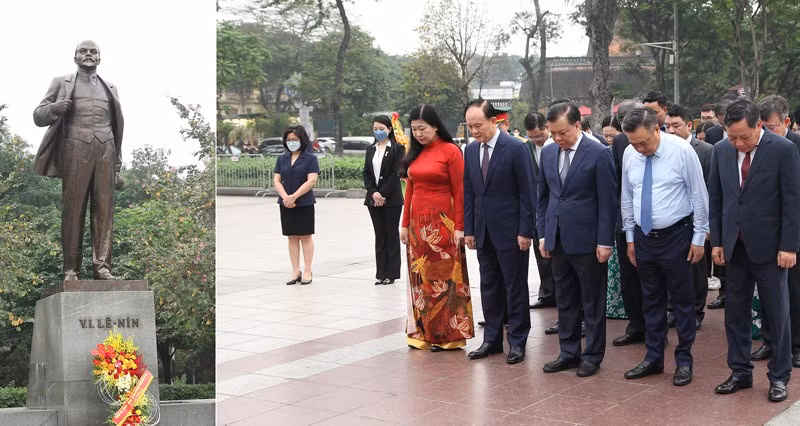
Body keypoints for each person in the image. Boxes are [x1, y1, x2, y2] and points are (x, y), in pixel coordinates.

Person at [710, 98, 800, 402]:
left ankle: (779, 376)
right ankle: (739, 371)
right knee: (735, 312)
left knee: (778, 313)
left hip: (772, 247)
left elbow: (792, 202)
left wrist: (789, 246)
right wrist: (718, 241)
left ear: (758, 125)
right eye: (732, 136)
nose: (737, 143)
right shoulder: (722, 151)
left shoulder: (783, 150)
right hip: (734, 247)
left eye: (744, 137)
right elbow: (718, 200)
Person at [621, 107, 709, 386]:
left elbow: (698, 195)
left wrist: (699, 237)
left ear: (657, 129)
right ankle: (653, 357)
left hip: (676, 237)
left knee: (682, 303)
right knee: (651, 300)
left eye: (644, 142)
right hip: (643, 238)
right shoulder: (629, 153)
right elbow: (627, 196)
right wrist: (630, 238)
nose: (639, 148)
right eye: (633, 143)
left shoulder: (681, 151)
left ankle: (684, 361)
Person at [33, 40, 124, 281]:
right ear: (75, 58)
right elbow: (38, 116)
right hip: (74, 150)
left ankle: (102, 267)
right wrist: (55, 107)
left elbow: (118, 129)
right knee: (73, 211)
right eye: (83, 51)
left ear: (99, 58)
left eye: (93, 52)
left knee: (104, 212)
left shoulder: (111, 88)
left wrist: (117, 166)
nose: (88, 54)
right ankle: (71, 270)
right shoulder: (61, 83)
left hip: (106, 151)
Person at [538, 101, 616, 377]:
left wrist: (605, 241)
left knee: (592, 300)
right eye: (553, 133)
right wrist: (544, 233)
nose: (558, 138)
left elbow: (608, 202)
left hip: (588, 240)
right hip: (557, 239)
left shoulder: (598, 153)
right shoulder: (548, 154)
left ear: (577, 126)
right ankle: (568, 351)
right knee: (565, 298)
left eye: (562, 133)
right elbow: (544, 197)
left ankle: (592, 355)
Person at [463, 99, 535, 364]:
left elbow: (528, 192)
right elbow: (469, 192)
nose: (474, 131)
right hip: (483, 232)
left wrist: (525, 230)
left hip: (512, 231)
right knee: (489, 286)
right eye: (470, 127)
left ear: (494, 121)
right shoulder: (470, 151)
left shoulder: (516, 148)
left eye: (478, 125)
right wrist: (469, 228)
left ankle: (517, 341)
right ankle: (491, 340)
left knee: (514, 287)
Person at [399, 104, 473, 351]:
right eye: (414, 130)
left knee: (444, 278)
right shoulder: (415, 153)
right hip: (418, 226)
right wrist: (404, 224)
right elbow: (410, 189)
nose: (419, 134)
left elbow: (460, 191)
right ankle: (422, 332)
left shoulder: (451, 151)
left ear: (435, 126)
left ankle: (447, 334)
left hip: (443, 224)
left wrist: (460, 227)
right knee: (421, 279)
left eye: (423, 129)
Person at [750, 95, 800, 366]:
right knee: (768, 291)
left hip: (792, 231)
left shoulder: (793, 147)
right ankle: (769, 340)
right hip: (766, 234)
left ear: (787, 122)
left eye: (770, 127)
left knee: (793, 291)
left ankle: (796, 345)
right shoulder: (758, 147)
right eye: (761, 126)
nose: (764, 132)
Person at [664, 104, 713, 330]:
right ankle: (673, 309)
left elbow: (712, 189)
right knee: (673, 267)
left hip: (696, 221)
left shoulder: (705, 150)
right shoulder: (662, 149)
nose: (671, 130)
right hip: (672, 222)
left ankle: (695, 310)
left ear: (689, 125)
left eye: (676, 125)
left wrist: (707, 224)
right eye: (667, 126)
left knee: (696, 268)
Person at [609, 101, 647, 347]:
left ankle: (657, 328)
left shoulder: (665, 141)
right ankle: (636, 325)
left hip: (658, 225)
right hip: (626, 220)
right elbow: (617, 181)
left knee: (653, 280)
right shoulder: (621, 143)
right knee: (629, 278)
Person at [273, 126, 320, 285]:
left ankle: (307, 270)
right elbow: (277, 181)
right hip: (285, 203)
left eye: (295, 139)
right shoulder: (282, 159)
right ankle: (295, 271)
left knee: (305, 236)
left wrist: (294, 196)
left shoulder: (310, 158)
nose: (291, 142)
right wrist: (286, 197)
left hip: (304, 202)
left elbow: (311, 180)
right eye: (289, 140)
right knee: (291, 237)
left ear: (302, 140)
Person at [363, 115, 406, 285]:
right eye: (375, 129)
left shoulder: (397, 148)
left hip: (392, 200)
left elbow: (396, 173)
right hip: (373, 200)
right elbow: (366, 172)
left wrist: (383, 194)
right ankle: (381, 273)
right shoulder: (370, 149)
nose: (378, 132)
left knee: (391, 235)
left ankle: (392, 273)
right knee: (379, 236)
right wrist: (373, 193)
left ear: (389, 129)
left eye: (381, 129)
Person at [524, 112, 556, 310]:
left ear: (546, 128)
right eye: (532, 136)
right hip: (534, 207)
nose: (537, 139)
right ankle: (546, 293)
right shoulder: (525, 148)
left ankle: (561, 295)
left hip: (553, 204)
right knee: (540, 251)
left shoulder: (555, 145)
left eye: (540, 134)